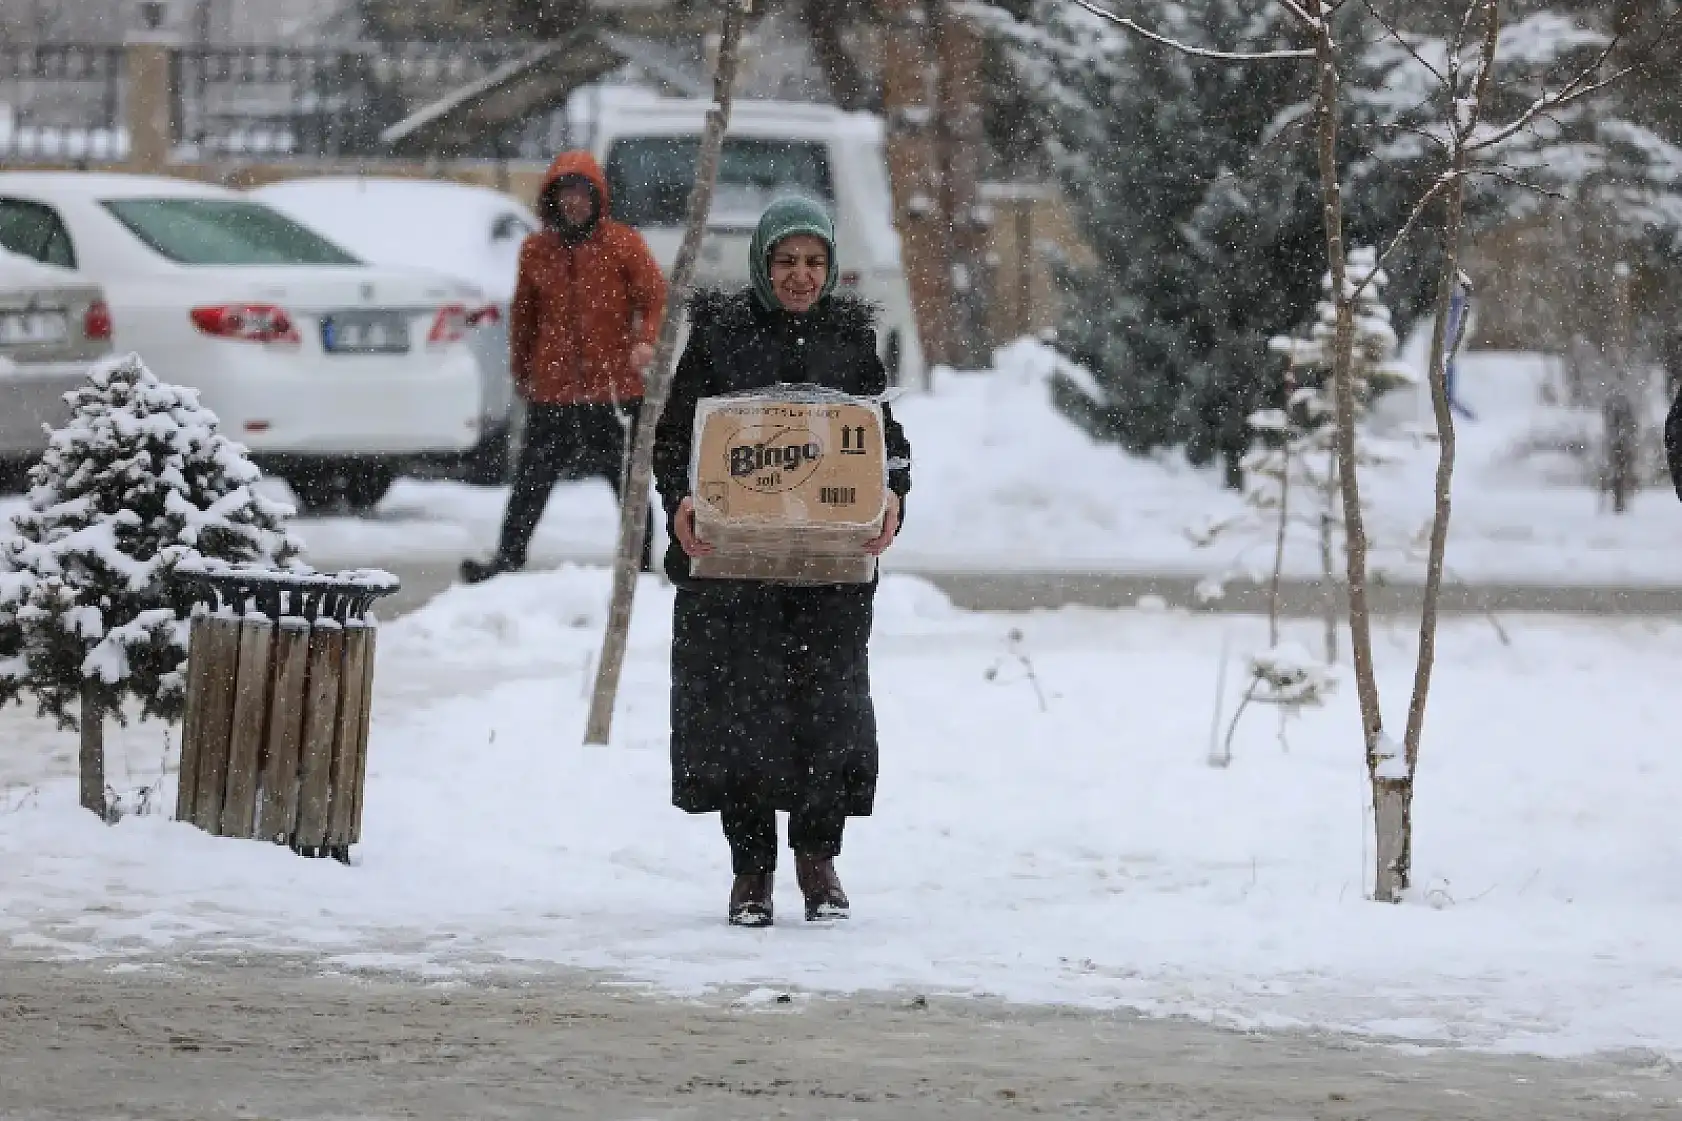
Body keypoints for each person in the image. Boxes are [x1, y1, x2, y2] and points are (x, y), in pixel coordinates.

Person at [652, 196, 913, 928]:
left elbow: (883, 437)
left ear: (830, 267)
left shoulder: (850, 340)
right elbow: (676, 438)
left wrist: (892, 495)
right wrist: (679, 499)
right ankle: (752, 871)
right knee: (742, 715)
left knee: (826, 714)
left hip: (828, 573)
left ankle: (817, 860)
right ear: (762, 264)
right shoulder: (720, 336)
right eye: (786, 261)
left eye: (814, 261)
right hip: (737, 569)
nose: (800, 276)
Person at [462, 150, 668, 585]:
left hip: (613, 390)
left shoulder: (623, 244)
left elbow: (653, 297)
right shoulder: (536, 250)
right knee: (532, 481)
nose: (574, 203)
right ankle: (508, 558)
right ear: (552, 200)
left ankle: (639, 565)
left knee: (629, 483)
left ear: (598, 198)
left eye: (582, 194)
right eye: (565, 194)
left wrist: (645, 341)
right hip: (553, 389)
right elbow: (525, 316)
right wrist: (522, 370)